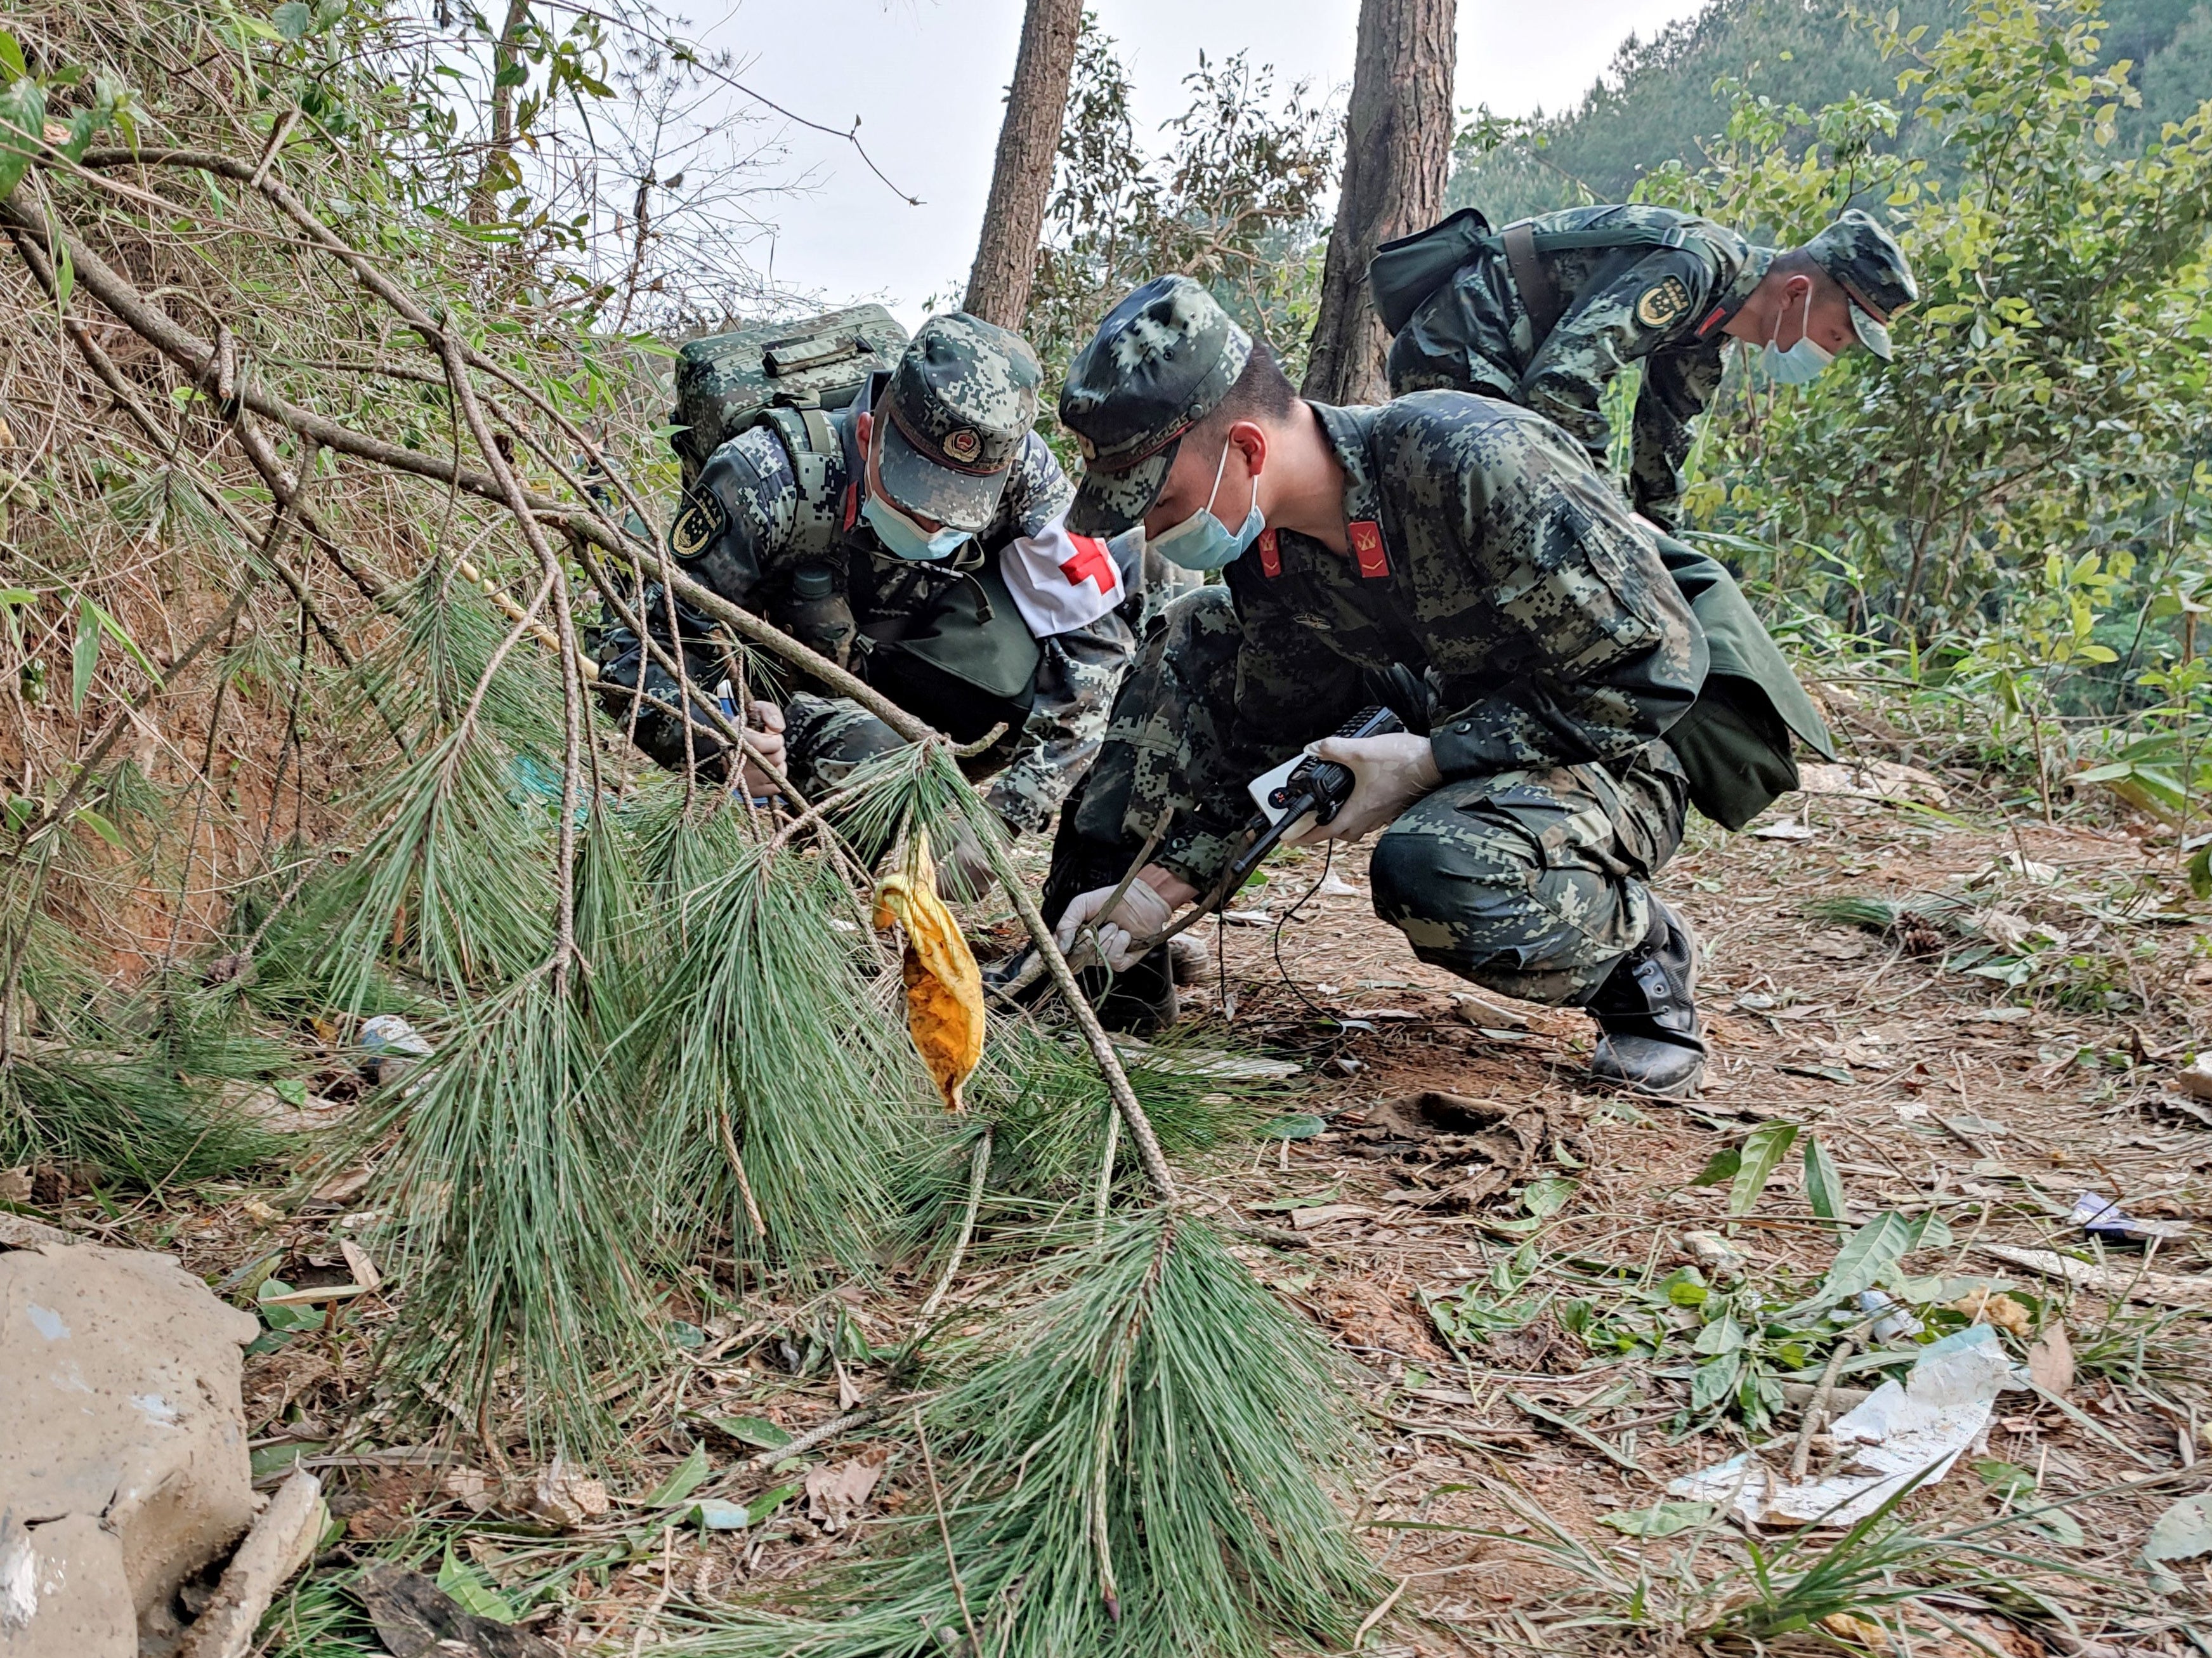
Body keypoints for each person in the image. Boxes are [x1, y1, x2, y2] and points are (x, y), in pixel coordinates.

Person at [1029, 276, 1828, 1098]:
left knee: (1436, 868)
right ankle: (1102, 958)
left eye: (1157, 500)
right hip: (1451, 706)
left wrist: (1429, 761)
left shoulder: (1468, 458)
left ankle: (1638, 963)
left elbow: (1649, 673)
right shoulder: (1268, 556)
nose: (1150, 530)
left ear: (1245, 450)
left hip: (1621, 739)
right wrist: (1159, 889)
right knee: (1196, 630)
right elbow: (1265, 736)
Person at [596, 312, 1139, 889]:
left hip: (924, 673)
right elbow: (633, 653)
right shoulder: (765, 479)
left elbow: (1096, 654)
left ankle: (1083, 928)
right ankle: (814, 907)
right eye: (914, 502)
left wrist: (1000, 822)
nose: (933, 526)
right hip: (791, 704)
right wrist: (722, 742)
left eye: (959, 512)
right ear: (865, 436)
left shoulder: (1023, 471)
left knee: (1145, 607)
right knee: (876, 754)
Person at [1370, 204, 1918, 527]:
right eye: (1836, 333)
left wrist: (1663, 551)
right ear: (1797, 292)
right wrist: (1609, 515)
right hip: (1460, 348)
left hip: (1504, 370)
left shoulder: (1710, 327)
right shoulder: (1692, 270)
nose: (1829, 351)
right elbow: (1561, 385)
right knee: (1505, 524)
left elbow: (1664, 444)